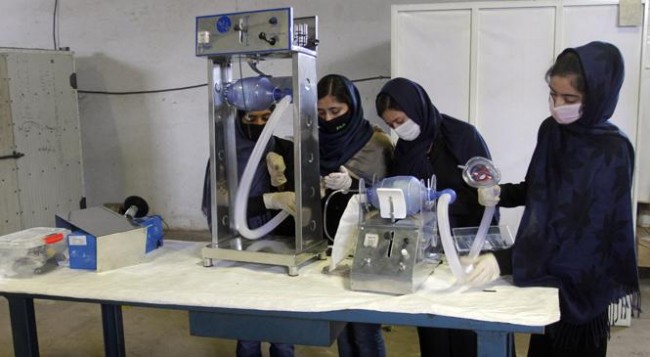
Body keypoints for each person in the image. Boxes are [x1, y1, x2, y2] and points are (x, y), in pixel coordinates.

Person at [469, 41, 642, 356]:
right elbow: (541, 188)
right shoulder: (552, 131)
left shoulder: (612, 150)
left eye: (570, 98)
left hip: (582, 282)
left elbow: (583, 232)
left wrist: (507, 260)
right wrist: (501, 194)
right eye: (552, 94)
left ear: (598, 96)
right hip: (550, 279)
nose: (557, 104)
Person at [375, 77, 495, 357]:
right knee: (433, 329)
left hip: (467, 248)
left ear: (417, 108)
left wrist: (445, 198)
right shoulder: (405, 150)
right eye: (391, 125)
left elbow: (487, 193)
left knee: (468, 329)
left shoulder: (462, 136)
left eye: (400, 120)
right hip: (425, 251)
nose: (398, 129)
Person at [201, 105, 296, 357]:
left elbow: (300, 201)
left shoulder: (284, 149)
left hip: (279, 248)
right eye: (251, 118)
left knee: (283, 328)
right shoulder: (225, 156)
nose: (259, 123)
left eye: (266, 117)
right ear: (238, 118)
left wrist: (282, 180)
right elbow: (219, 209)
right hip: (241, 247)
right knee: (248, 325)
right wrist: (268, 200)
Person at [317, 74, 393, 357]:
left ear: (352, 105)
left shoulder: (377, 142)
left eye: (335, 111)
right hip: (328, 241)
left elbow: (393, 194)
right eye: (321, 113)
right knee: (340, 323)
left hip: (367, 243)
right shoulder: (316, 140)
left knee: (364, 325)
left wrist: (355, 185)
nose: (327, 119)